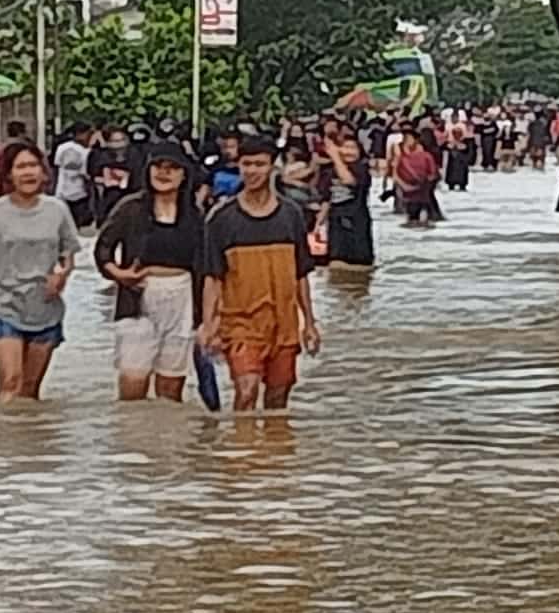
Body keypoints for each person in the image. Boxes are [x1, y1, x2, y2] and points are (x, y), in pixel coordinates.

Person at [200, 134, 321, 413]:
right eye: (246, 164)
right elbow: (213, 277)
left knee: (278, 399)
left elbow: (301, 274)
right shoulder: (221, 218)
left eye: (259, 164)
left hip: (284, 323)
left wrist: (310, 323)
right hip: (240, 322)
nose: (252, 171)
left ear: (272, 167)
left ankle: (270, 452)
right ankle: (241, 452)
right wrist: (210, 325)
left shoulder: (291, 214)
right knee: (246, 390)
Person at [0, 141, 81, 402]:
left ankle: (28, 440)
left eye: (34, 165)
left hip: (46, 309)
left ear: (44, 172)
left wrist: (62, 274)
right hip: (5, 306)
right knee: (11, 382)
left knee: (30, 391)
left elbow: (68, 255)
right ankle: (3, 439)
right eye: (21, 167)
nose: (28, 173)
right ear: (8, 174)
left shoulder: (57, 209)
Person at [93, 142, 205, 403]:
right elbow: (103, 249)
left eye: (172, 168)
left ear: (184, 174)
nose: (163, 173)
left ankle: (167, 441)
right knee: (133, 385)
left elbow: (204, 266)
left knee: (171, 389)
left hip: (183, 298)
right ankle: (134, 442)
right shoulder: (130, 208)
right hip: (137, 297)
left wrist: (207, 317)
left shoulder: (195, 215)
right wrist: (118, 275)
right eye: (158, 166)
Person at [325, 131, 375, 268]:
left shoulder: (362, 169)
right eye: (345, 147)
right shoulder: (330, 171)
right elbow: (326, 198)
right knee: (335, 264)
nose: (348, 152)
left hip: (356, 221)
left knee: (360, 266)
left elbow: (348, 180)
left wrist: (335, 157)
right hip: (336, 221)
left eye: (353, 148)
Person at [54, 120, 97, 227]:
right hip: (79, 194)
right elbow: (86, 174)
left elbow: (57, 166)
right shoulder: (86, 151)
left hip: (62, 192)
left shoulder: (62, 147)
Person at [395, 131, 441, 227]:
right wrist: (403, 185)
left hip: (423, 193)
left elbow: (433, 174)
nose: (406, 142)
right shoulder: (402, 158)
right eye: (405, 140)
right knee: (411, 218)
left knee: (425, 218)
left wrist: (424, 185)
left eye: (409, 139)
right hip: (409, 193)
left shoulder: (426, 156)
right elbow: (396, 173)